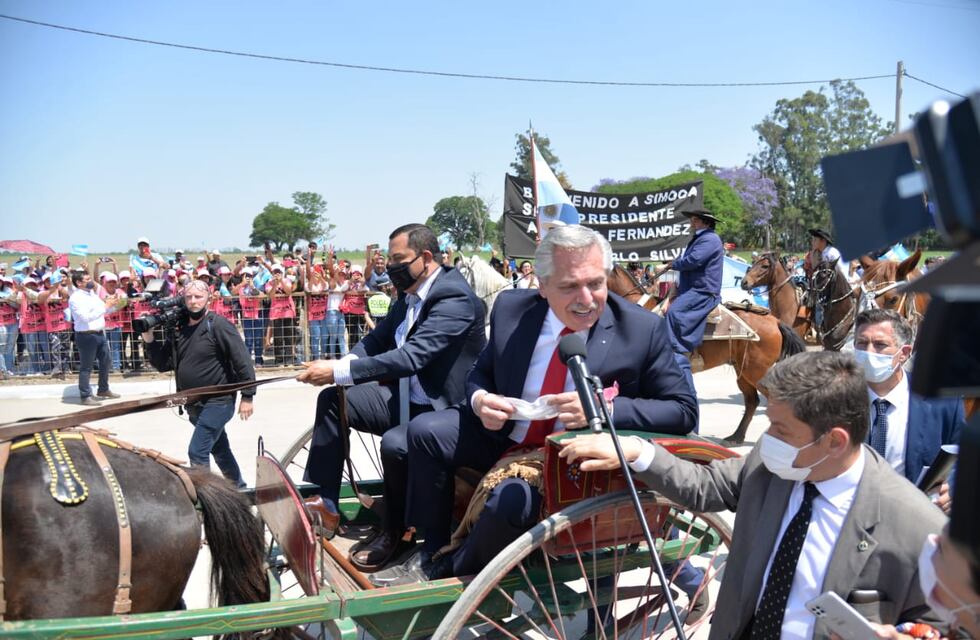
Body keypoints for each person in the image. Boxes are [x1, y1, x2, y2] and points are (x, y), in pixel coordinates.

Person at [379, 225, 697, 586]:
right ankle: (431, 550)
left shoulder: (641, 329)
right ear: (541, 286)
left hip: (576, 462)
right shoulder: (512, 310)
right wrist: (482, 400)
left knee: (510, 502)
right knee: (423, 433)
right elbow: (479, 373)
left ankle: (453, 569)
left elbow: (683, 409)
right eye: (569, 286)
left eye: (595, 283)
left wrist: (606, 409)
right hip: (506, 436)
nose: (586, 298)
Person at [560, 350, 945, 639]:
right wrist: (637, 452)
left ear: (834, 441)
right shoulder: (773, 463)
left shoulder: (915, 525)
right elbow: (705, 486)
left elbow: (944, 620)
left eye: (780, 429)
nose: (767, 438)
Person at [296, 223, 486, 571]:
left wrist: (340, 371)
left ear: (426, 258)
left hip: (448, 410)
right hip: (407, 401)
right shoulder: (409, 295)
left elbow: (412, 357)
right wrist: (343, 364)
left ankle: (399, 531)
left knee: (398, 443)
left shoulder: (454, 298)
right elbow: (377, 339)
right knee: (332, 400)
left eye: (399, 259)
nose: (392, 266)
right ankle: (326, 503)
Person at [142, 280, 256, 488]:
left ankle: (209, 498)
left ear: (208, 299)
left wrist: (247, 396)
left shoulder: (219, 325)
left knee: (197, 451)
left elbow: (242, 361)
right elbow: (163, 363)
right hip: (194, 404)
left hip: (218, 402)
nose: (193, 301)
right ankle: (239, 490)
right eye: (189, 297)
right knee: (220, 450)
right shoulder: (181, 328)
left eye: (198, 297)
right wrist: (148, 339)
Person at [853, 309, 964, 505]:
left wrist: (953, 491)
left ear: (903, 353)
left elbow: (962, 458)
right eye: (861, 343)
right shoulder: (835, 399)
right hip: (850, 515)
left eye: (880, 345)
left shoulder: (943, 402)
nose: (868, 352)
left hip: (914, 518)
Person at [665, 207, 724, 402]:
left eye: (694, 219)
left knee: (674, 312)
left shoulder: (710, 239)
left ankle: (677, 351)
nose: (691, 221)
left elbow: (694, 260)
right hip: (692, 288)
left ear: (703, 222)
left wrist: (674, 264)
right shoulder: (701, 238)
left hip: (703, 290)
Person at [68, 271, 123, 405]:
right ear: (79, 283)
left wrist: (114, 305)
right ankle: (85, 395)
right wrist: (105, 307)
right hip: (86, 335)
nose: (90, 280)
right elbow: (85, 317)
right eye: (87, 279)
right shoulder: (75, 298)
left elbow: (103, 311)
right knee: (86, 367)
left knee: (106, 362)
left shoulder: (92, 294)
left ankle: (103, 389)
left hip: (99, 333)